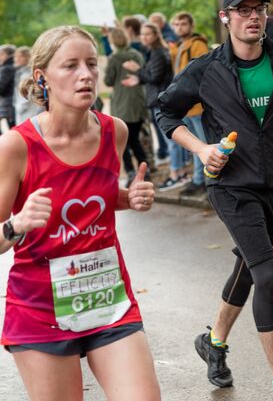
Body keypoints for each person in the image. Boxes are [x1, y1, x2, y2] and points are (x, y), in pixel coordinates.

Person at [156, 0, 273, 401]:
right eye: (243, 10)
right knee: (266, 274)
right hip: (230, 184)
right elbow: (165, 110)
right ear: (225, 17)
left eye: (259, 9)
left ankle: (213, 343)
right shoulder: (207, 68)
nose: (253, 17)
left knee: (249, 268)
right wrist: (201, 150)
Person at [0, 25, 159, 401]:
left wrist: (129, 198)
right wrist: (17, 224)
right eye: (70, 65)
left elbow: (92, 196)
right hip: (40, 310)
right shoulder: (16, 147)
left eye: (91, 63)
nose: (86, 74)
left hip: (108, 301)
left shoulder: (114, 132)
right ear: (42, 77)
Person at [120, 23, 176, 190]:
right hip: (157, 100)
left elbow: (155, 77)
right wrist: (138, 79)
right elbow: (150, 76)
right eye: (142, 34)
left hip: (161, 100)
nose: (144, 37)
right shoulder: (152, 51)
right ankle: (175, 172)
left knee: (171, 139)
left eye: (148, 34)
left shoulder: (158, 52)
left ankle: (176, 174)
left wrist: (137, 70)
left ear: (156, 35)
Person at [169, 12, 209, 194]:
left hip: (197, 105)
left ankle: (208, 182)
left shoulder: (197, 44)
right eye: (176, 24)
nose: (179, 27)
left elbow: (202, 73)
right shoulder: (178, 47)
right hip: (185, 106)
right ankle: (199, 179)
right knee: (195, 145)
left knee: (204, 145)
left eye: (183, 24)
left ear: (191, 26)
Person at [103, 28, 149, 184]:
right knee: (135, 139)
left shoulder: (114, 58)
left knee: (122, 141)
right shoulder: (137, 54)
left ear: (113, 41)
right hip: (139, 101)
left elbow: (108, 81)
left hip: (122, 104)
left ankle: (130, 172)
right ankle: (145, 169)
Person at [13, 47, 42, 125]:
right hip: (20, 107)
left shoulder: (28, 73)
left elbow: (27, 93)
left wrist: (21, 106)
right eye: (16, 57)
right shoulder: (19, 72)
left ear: (27, 57)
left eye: (20, 57)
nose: (16, 59)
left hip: (28, 108)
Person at [0, 44, 15, 130]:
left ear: (9, 55)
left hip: (7, 106)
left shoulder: (6, 68)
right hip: (10, 105)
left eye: (2, 54)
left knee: (6, 131)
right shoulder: (13, 66)